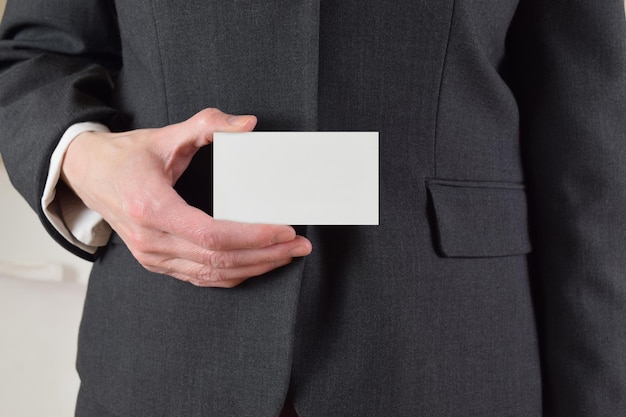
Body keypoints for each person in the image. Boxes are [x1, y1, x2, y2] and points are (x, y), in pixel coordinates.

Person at [1, 0, 625, 416]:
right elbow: (36, 53)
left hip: (447, 360)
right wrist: (87, 158)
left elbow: (588, 148)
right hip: (166, 360)